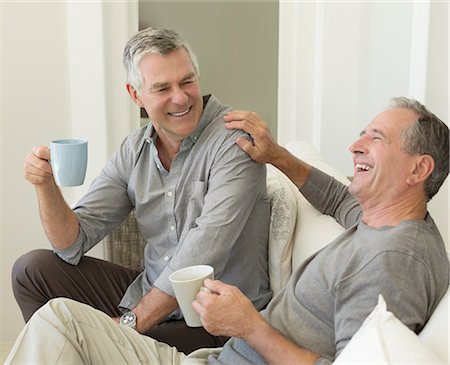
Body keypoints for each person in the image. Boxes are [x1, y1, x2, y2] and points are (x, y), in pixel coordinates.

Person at [6, 97, 449, 365]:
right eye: (361, 135)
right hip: (216, 357)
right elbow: (335, 198)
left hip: (219, 341)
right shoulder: (382, 219)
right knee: (50, 301)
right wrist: (277, 154)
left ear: (419, 168)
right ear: (136, 95)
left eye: (376, 138)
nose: (354, 146)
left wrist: (250, 326)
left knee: (60, 321)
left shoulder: (394, 259)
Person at [12, 27, 271, 354]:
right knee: (32, 271)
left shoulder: (235, 142)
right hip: (151, 298)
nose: (180, 97)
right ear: (135, 95)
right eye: (162, 87)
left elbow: (201, 253)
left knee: (88, 341)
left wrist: (128, 325)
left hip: (215, 324)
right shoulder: (135, 149)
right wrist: (44, 185)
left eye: (187, 81)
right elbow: (70, 244)